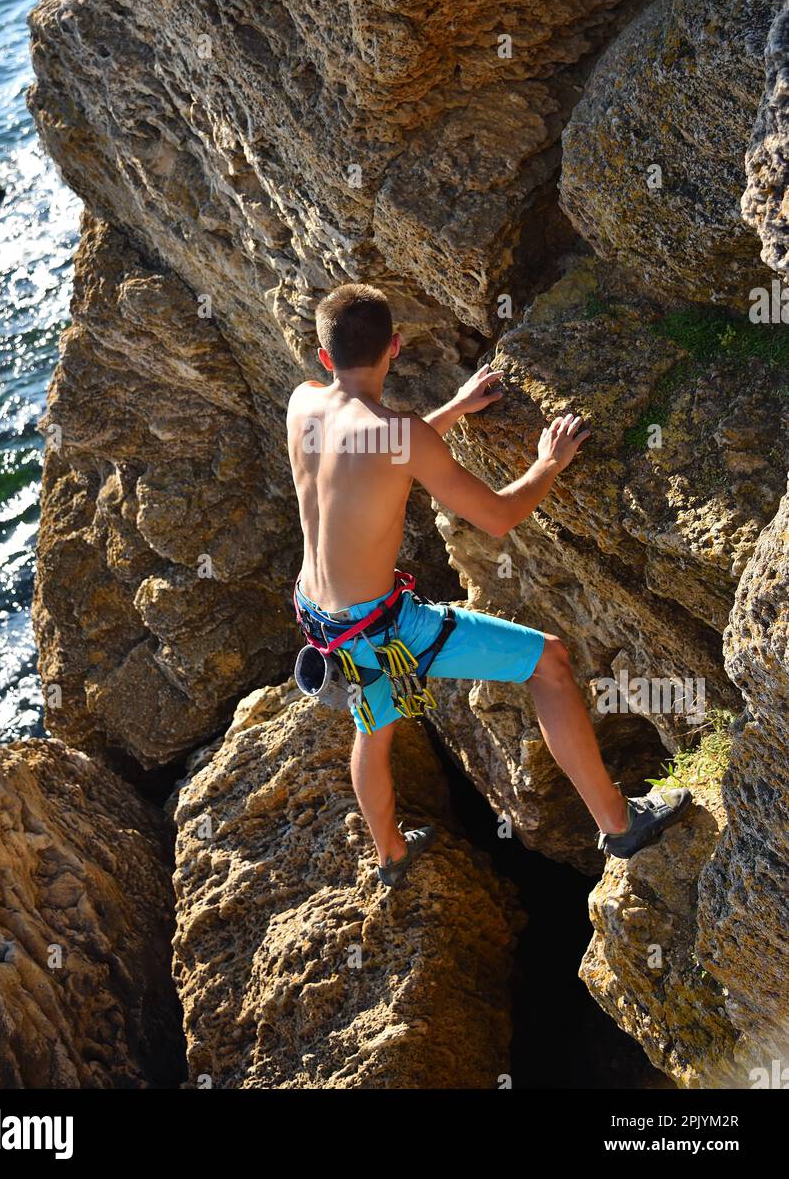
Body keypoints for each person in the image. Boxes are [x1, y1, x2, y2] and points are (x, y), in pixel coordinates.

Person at [287, 283, 691, 887]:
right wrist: (548, 462)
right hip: (385, 627)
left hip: (321, 617)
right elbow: (499, 516)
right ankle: (619, 824)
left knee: (374, 727)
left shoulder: (303, 403)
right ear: (394, 346)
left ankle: (391, 854)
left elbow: (363, 454)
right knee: (549, 662)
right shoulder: (401, 435)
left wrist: (451, 410)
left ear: (323, 357)